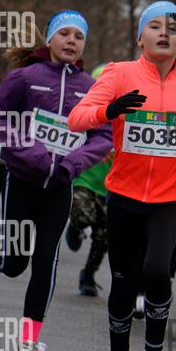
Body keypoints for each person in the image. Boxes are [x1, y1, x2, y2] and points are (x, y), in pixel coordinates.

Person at [68, 0, 176, 351]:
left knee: (157, 271)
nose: (165, 33)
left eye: (173, 28)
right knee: (123, 285)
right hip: (125, 198)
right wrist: (109, 111)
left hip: (170, 196)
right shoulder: (119, 74)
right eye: (155, 26)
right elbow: (77, 118)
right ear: (140, 37)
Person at [0, 10, 113, 351]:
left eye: (78, 36)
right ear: (49, 39)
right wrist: (32, 152)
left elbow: (102, 137)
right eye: (64, 33)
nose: (71, 41)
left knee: (46, 260)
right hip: (22, 181)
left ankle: (29, 341)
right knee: (17, 263)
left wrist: (73, 163)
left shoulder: (91, 89)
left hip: (60, 186)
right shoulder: (24, 77)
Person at [65, 64, 114, 297]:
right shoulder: (85, 114)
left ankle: (88, 276)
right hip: (84, 179)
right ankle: (76, 225)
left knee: (104, 235)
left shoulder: (124, 114)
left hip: (109, 187)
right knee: (82, 214)